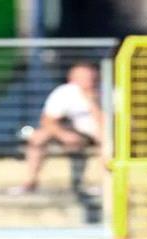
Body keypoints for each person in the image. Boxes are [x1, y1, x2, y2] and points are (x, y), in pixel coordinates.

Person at [10, 63, 104, 195]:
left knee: (105, 139)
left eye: (90, 77)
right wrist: (63, 135)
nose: (87, 81)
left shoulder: (107, 92)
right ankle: (30, 183)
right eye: (82, 78)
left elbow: (106, 124)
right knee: (38, 137)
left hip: (100, 132)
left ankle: (106, 184)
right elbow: (47, 120)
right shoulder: (64, 92)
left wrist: (92, 102)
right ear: (72, 79)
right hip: (73, 132)